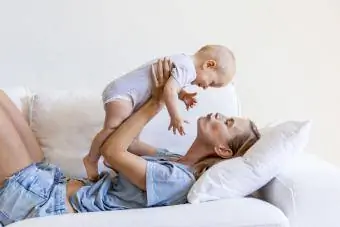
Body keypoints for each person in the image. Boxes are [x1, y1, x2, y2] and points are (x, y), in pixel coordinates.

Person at [0, 59, 259, 226]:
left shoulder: (178, 179)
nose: (219, 116)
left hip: (41, 202)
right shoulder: (173, 159)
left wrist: (157, 102)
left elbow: (113, 151)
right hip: (51, 182)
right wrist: (153, 89)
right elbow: (131, 143)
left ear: (223, 150)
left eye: (228, 124)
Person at [84, 44, 237, 181]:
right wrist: (175, 116)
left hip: (130, 96)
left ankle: (112, 160)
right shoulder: (187, 69)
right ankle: (91, 159)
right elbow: (169, 90)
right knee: (112, 128)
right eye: (211, 83)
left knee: (129, 136)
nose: (205, 87)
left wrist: (183, 95)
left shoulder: (184, 62)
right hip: (123, 94)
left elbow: (172, 86)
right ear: (209, 64)